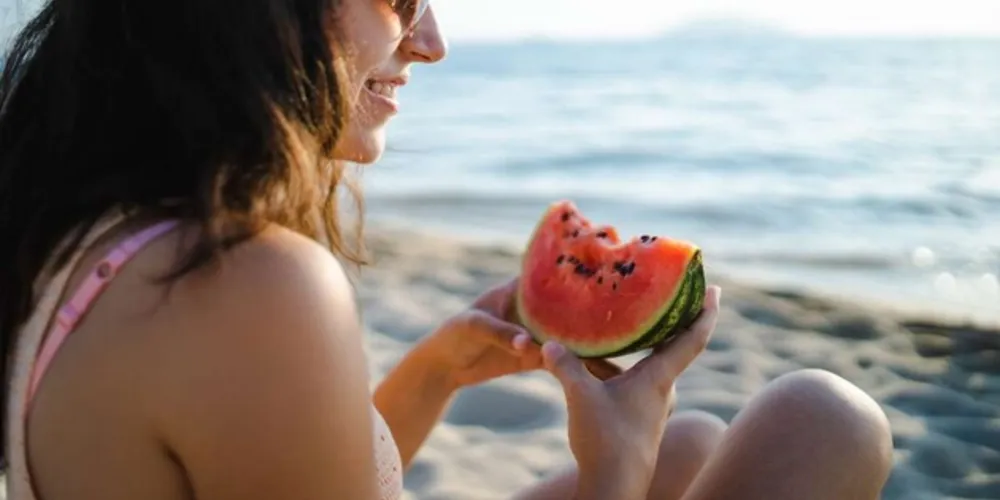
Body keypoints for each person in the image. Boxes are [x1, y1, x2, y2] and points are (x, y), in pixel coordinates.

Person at [0, 0, 894, 499]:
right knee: (823, 418)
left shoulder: (87, 230)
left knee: (694, 445)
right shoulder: (246, 284)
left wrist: (435, 369)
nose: (431, 42)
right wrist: (614, 470)